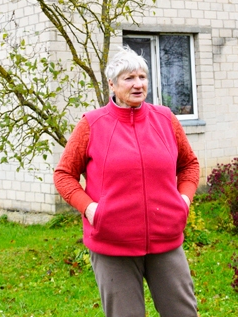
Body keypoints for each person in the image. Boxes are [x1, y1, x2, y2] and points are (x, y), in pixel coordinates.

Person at [54, 47, 200, 317]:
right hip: (113, 245)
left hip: (166, 239)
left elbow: (189, 164)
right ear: (112, 84)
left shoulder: (165, 119)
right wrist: (91, 209)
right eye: (129, 78)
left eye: (142, 77)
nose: (138, 84)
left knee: (183, 313)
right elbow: (63, 175)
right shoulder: (92, 124)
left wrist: (184, 200)